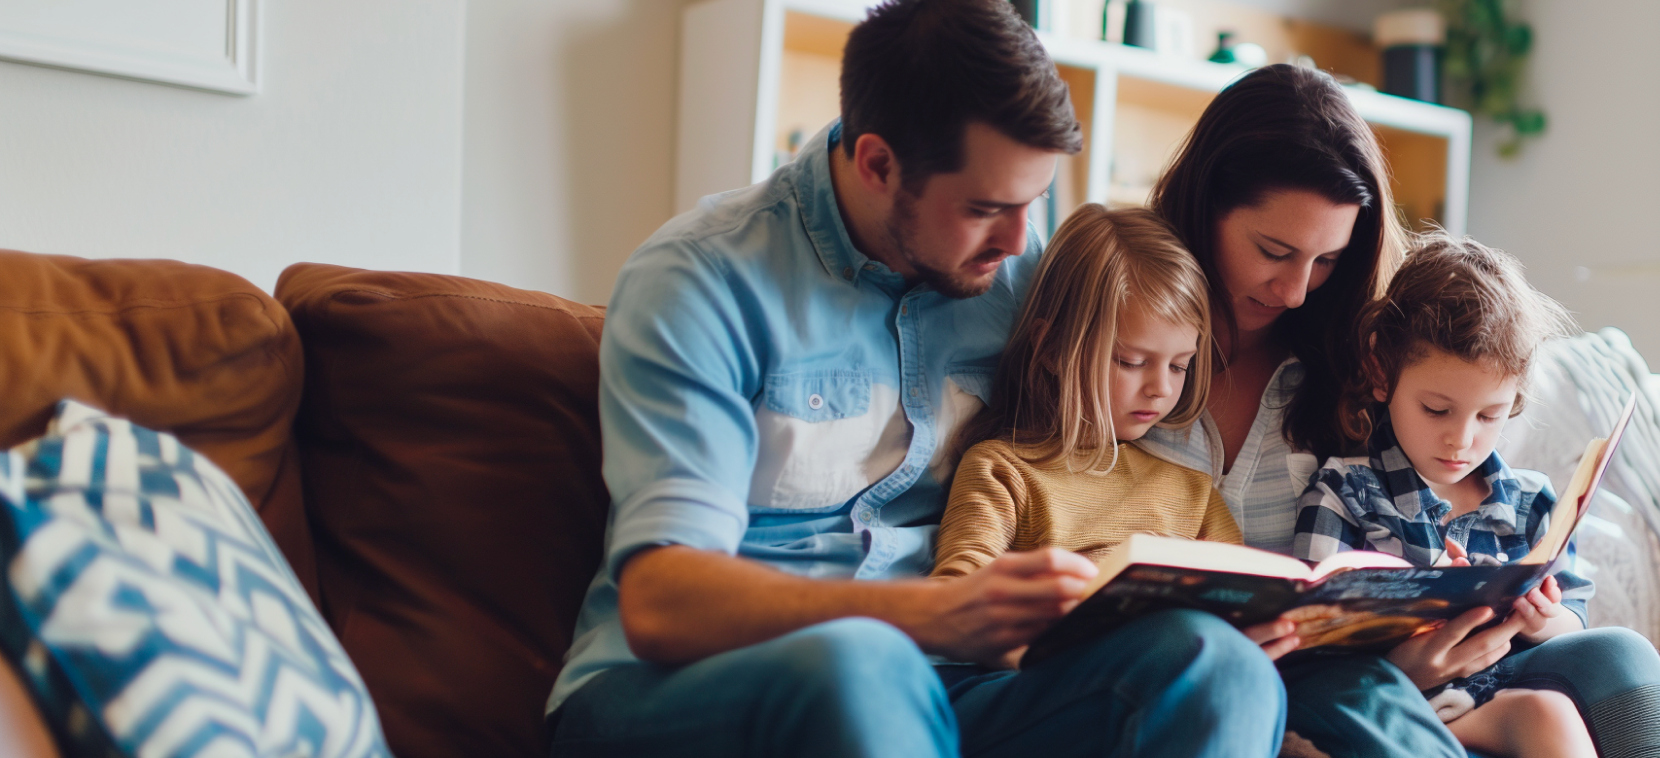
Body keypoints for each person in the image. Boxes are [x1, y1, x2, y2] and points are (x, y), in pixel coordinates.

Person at [545, 1, 1287, 756]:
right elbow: (662, 601)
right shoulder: (702, 283)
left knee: (1216, 667)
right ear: (877, 164)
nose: (1019, 239)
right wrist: (931, 614)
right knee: (858, 659)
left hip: (945, 683)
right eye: (987, 208)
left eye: (1034, 202)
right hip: (684, 687)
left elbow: (1138, 373)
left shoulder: (1017, 275)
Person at [1134, 62, 1469, 757]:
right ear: (1205, 205)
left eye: (1325, 262)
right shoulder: (1120, 339)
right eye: (1274, 251)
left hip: (1333, 676)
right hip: (1166, 676)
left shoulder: (1356, 366)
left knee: (1608, 659)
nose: (1294, 291)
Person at [1294, 234, 1660, 758]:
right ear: (1380, 373)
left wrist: (1541, 616)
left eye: (1488, 415)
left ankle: (1473, 723)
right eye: (1437, 410)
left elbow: (1572, 615)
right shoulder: (1344, 491)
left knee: (1622, 650)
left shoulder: (1532, 499)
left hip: (1509, 676)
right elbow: (1314, 642)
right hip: (1394, 691)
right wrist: (1408, 660)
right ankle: (1449, 731)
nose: (1461, 439)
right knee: (1338, 689)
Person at [931, 205, 1242, 591]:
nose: (1160, 388)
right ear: (1053, 350)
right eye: (1131, 361)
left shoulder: (1194, 493)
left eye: (1179, 366)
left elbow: (1243, 593)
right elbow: (957, 601)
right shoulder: (1003, 472)